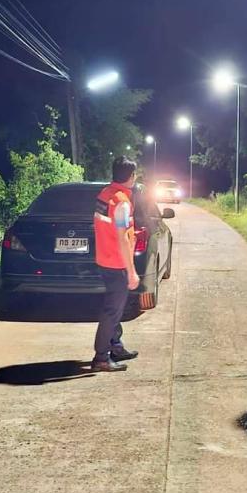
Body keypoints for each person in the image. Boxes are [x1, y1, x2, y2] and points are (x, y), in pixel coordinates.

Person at [91, 156, 140, 373]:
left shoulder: (105, 194)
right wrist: (131, 272)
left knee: (115, 308)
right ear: (131, 176)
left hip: (104, 258)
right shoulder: (122, 203)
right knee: (112, 311)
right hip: (116, 262)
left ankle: (116, 347)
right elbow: (123, 239)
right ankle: (101, 358)